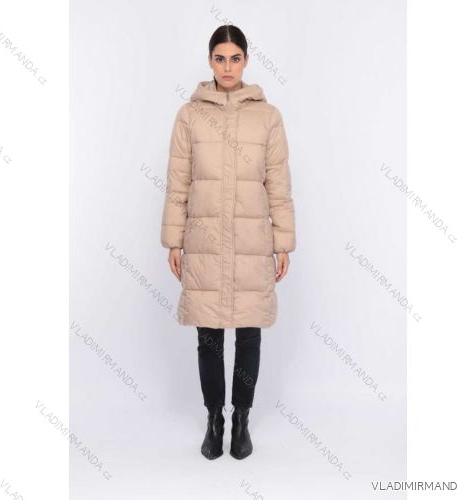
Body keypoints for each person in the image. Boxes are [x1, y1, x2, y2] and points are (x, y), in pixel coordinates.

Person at [161, 24, 296, 460]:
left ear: (246, 61)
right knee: (209, 335)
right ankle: (214, 419)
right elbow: (178, 183)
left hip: (252, 240)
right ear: (209, 61)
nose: (227, 67)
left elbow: (278, 185)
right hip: (204, 240)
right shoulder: (189, 116)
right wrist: (174, 241)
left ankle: (241, 420)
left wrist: (283, 242)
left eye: (235, 58)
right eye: (220, 58)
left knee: (250, 333)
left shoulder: (268, 116)